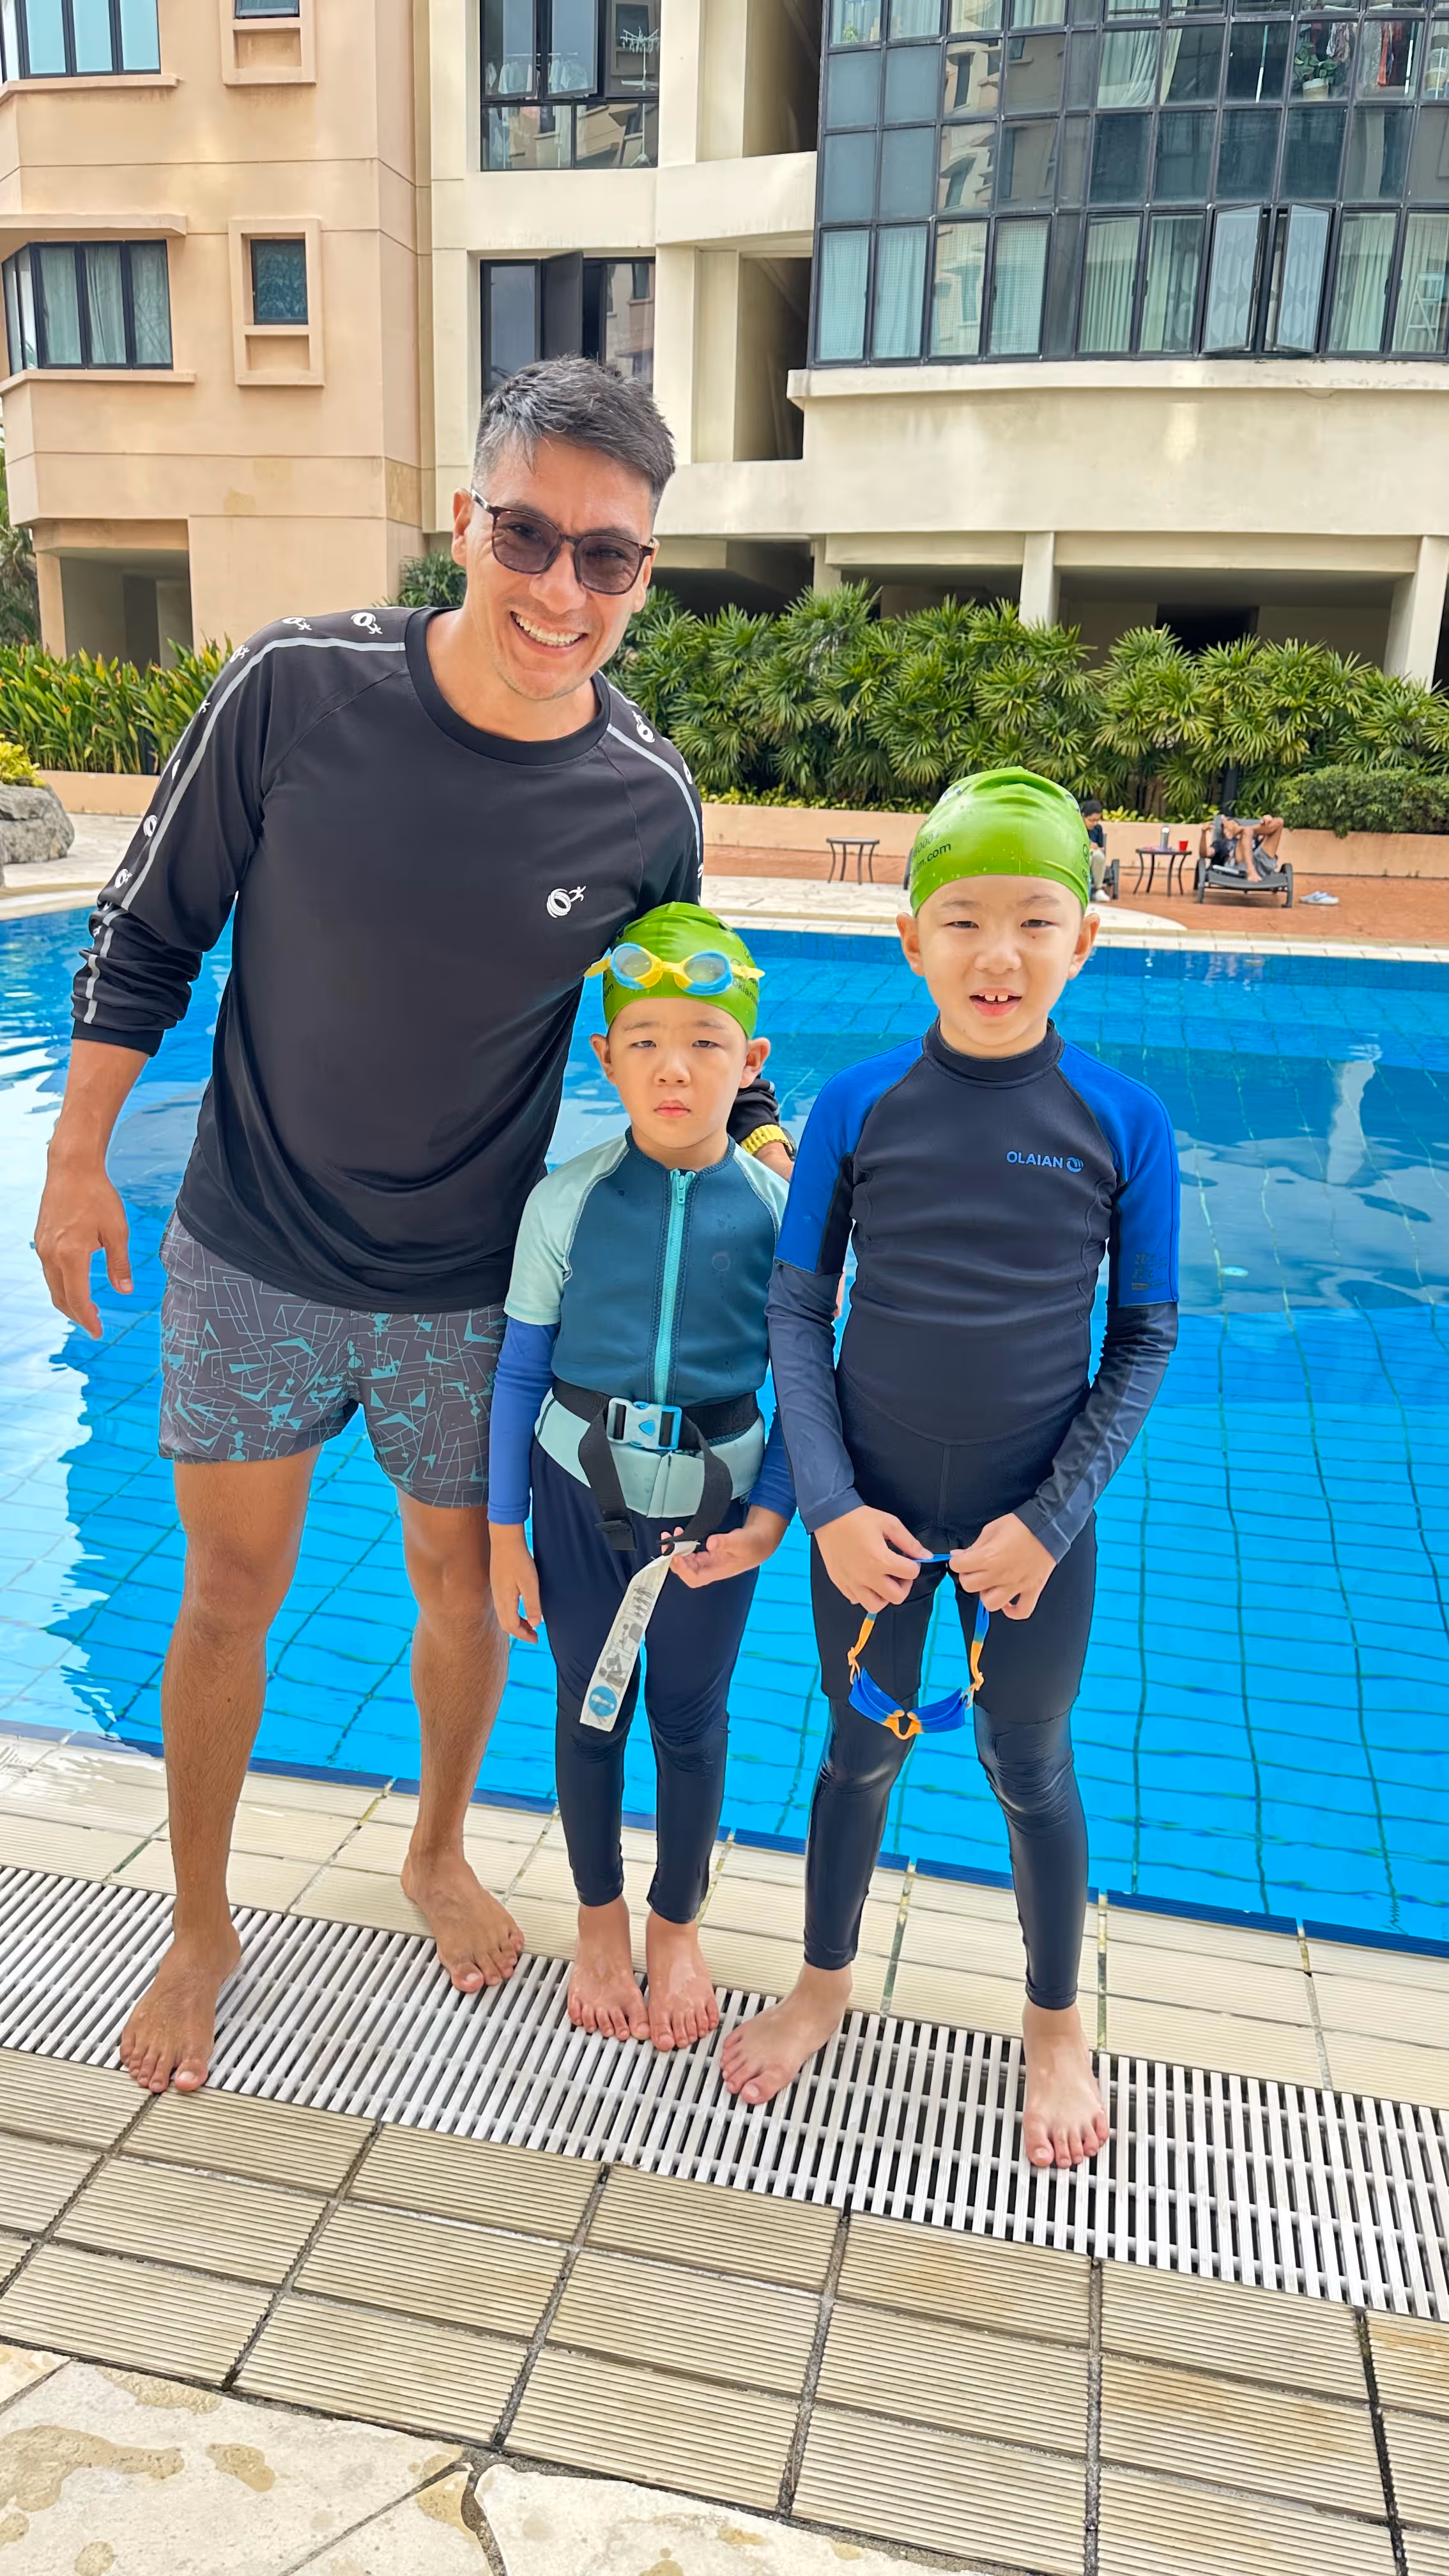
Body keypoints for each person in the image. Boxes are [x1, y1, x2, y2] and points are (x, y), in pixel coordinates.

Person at [33, 357, 793, 2097]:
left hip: (467, 1284)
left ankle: (436, 1844)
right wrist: (77, 1160)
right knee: (228, 1588)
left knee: (462, 1584)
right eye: (527, 534)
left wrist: (762, 1149)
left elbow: (685, 1014)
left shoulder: (643, 798)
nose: (559, 588)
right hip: (249, 1248)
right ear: (466, 519)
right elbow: (145, 932)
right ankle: (203, 1920)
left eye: (607, 558)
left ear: (644, 578)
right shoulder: (297, 691)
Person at [723, 769, 1180, 2170]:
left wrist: (1049, 1524)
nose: (999, 954)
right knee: (857, 1756)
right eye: (964, 920)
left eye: (1034, 920)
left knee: (1027, 1763)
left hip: (1033, 1526)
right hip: (869, 1518)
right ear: (909, 937)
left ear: (1083, 942)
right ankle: (821, 1984)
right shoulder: (859, 1107)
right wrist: (829, 1503)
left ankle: (1054, 2021)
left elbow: (1145, 1337)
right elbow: (801, 1310)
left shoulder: (1125, 1120)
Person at [488, 903, 793, 2051]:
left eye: (706, 1042)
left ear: (748, 1062)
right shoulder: (566, 1199)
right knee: (586, 1707)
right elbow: (518, 1374)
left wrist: (771, 1520)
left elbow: (807, 1387)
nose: (675, 1066)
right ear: (606, 1057)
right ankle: (600, 1915)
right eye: (647, 1041)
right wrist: (500, 1533)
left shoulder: (776, 1214)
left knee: (689, 1718)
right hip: (575, 1493)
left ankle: (676, 1920)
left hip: (717, 1510)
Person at [1201, 811, 1285, 882]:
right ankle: (1251, 871)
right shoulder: (1221, 844)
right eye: (1226, 828)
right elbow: (1205, 854)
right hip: (1238, 867)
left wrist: (1268, 820)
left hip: (1260, 861)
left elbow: (1267, 836)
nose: (1229, 828)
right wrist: (1203, 833)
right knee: (1248, 831)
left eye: (1233, 825)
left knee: (1280, 822)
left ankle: (1253, 871)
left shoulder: (1254, 837)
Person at [1079, 797, 1110, 898]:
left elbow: (1101, 847)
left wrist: (1098, 848)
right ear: (1083, 816)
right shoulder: (1077, 826)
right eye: (1092, 820)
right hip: (1080, 854)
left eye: (1097, 820)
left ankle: (1098, 889)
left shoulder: (1098, 829)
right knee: (1089, 857)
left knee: (1099, 856)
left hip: (1095, 855)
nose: (1095, 823)